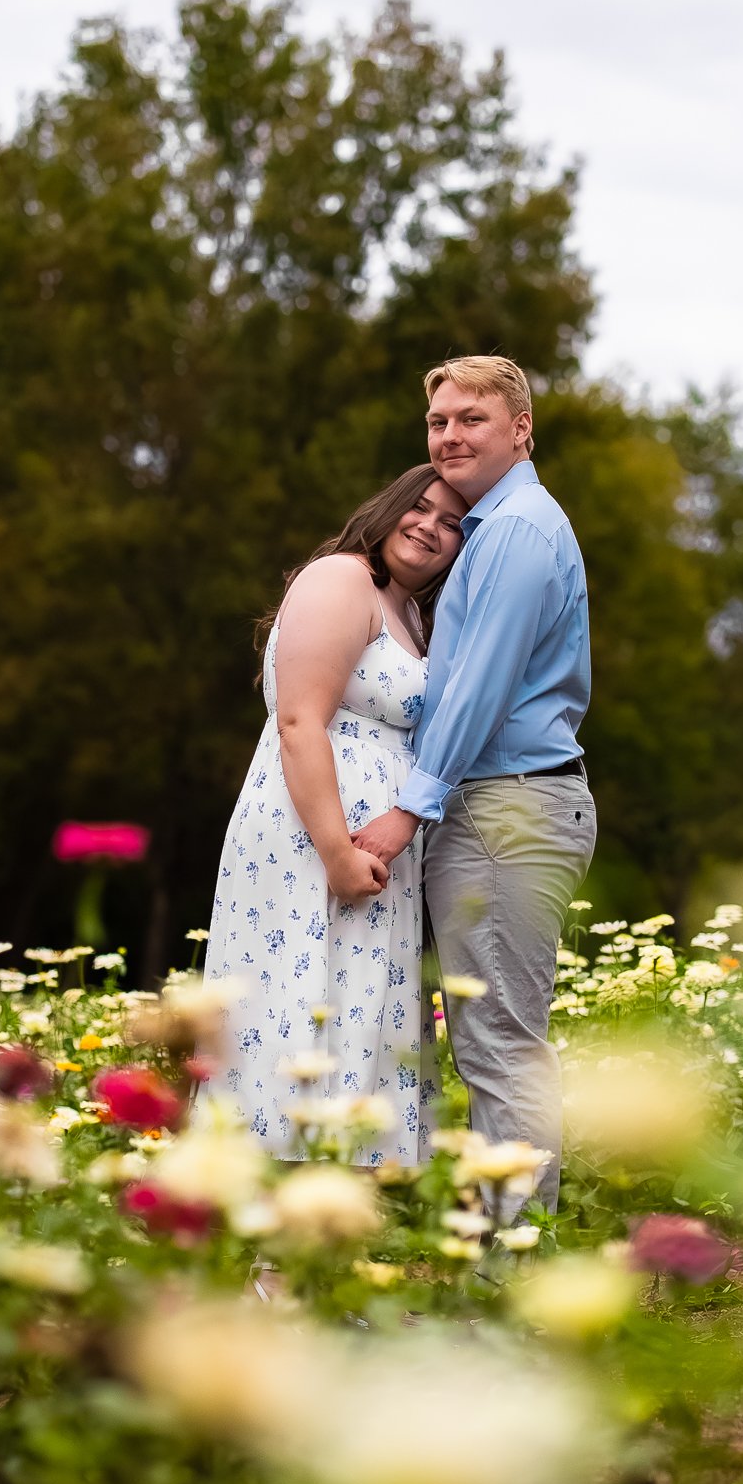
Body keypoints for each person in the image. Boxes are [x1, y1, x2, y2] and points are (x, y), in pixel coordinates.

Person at [353, 357, 596, 1212]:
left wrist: (408, 808)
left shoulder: (521, 531)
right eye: (438, 422)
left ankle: (518, 1276)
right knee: (491, 1043)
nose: (449, 436)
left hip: (508, 807)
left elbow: (480, 689)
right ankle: (509, 1253)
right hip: (500, 807)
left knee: (500, 1046)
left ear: (521, 428)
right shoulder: (497, 528)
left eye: (472, 420)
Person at [205, 465, 466, 1165]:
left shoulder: (410, 612)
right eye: (420, 508)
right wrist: (335, 852)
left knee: (355, 1005)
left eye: (450, 524)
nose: (430, 528)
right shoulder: (341, 578)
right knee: (294, 997)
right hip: (312, 835)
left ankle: (331, 1211)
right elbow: (298, 721)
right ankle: (264, 1234)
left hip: (371, 843)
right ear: (389, 508)